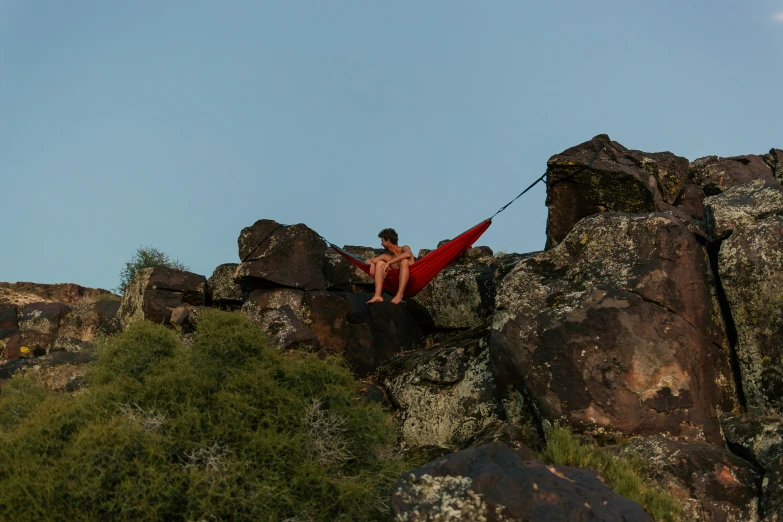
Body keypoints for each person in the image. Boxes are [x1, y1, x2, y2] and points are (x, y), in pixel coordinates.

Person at [366, 228, 414, 305]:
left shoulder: (404, 248)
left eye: (382, 241)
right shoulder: (386, 256)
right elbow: (368, 260)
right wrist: (371, 264)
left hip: (411, 281)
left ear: (388, 241)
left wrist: (389, 263)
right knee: (380, 263)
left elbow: (407, 254)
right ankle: (377, 295)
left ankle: (399, 295)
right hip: (396, 283)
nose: (381, 244)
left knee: (404, 261)